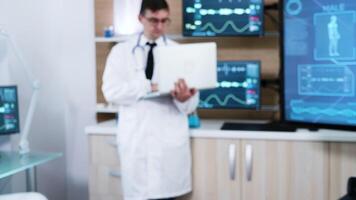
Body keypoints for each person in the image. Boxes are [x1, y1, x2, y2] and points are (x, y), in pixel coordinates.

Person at [102, 0, 199, 199]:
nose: (159, 27)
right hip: (136, 141)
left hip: (168, 146)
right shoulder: (121, 52)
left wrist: (184, 98)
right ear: (141, 18)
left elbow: (190, 105)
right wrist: (150, 86)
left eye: (165, 21)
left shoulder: (179, 53)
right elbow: (111, 92)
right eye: (154, 20)